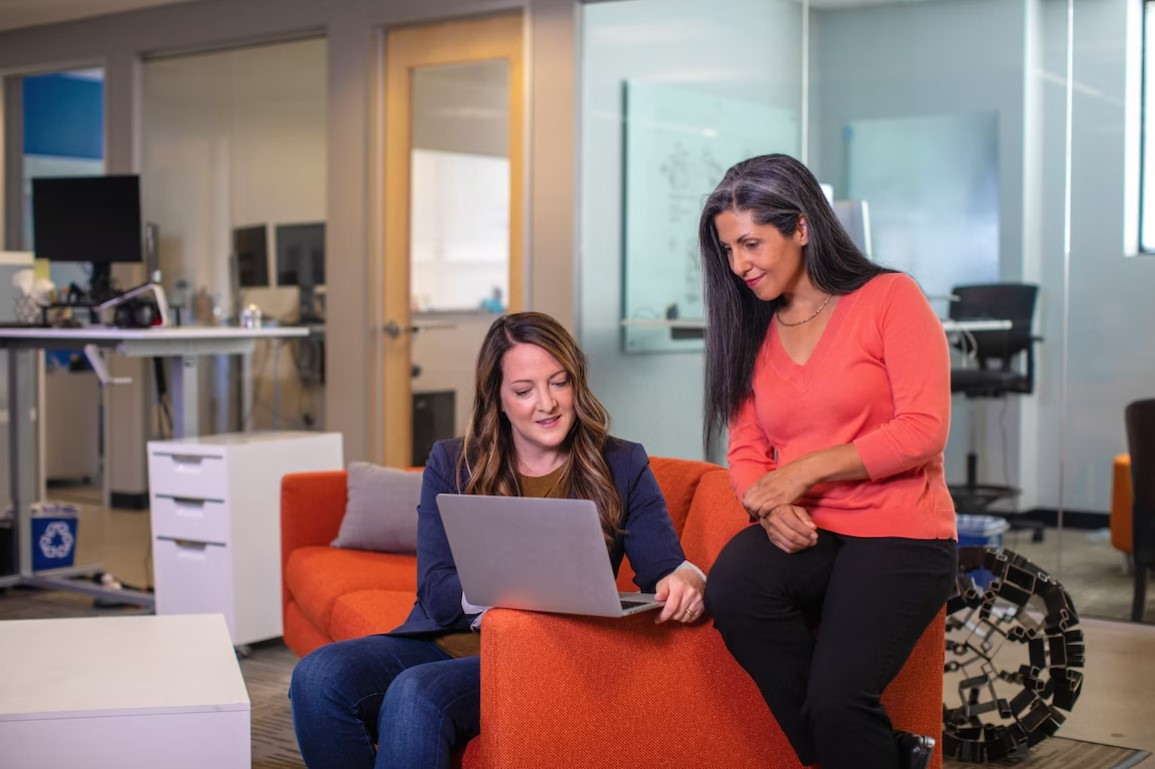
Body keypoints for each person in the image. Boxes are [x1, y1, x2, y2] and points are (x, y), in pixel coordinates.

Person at [289, 311, 706, 769]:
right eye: (524, 391)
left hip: (547, 653)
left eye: (559, 383)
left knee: (415, 695)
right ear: (498, 399)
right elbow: (436, 589)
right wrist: (502, 595)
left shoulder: (622, 463)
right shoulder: (452, 462)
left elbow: (665, 567)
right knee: (318, 677)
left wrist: (688, 579)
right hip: (448, 639)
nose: (546, 403)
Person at [697, 154, 957, 769]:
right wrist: (767, 503)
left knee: (836, 701)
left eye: (752, 243)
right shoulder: (750, 328)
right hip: (812, 531)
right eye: (729, 250)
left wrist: (802, 473)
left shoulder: (891, 297)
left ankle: (847, 735)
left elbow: (924, 429)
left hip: (902, 534)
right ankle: (885, 756)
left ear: (803, 227)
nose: (740, 265)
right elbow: (746, 446)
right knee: (733, 586)